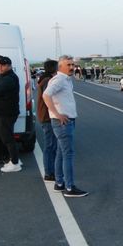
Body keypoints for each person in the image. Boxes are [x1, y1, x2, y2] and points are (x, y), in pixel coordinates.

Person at [43, 55, 88, 198]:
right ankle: (69, 187)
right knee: (68, 154)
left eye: (72, 64)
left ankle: (60, 183)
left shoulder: (67, 80)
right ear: (60, 66)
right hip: (62, 122)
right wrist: (57, 114)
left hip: (67, 120)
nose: (72, 67)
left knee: (61, 153)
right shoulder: (60, 79)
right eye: (68, 65)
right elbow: (46, 95)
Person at [0, 56, 22, 173]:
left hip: (5, 113)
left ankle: (15, 163)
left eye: (3, 65)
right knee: (8, 137)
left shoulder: (8, 79)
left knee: (7, 138)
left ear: (9, 66)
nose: (0, 67)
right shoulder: (6, 77)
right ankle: (14, 159)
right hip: (5, 112)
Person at [37, 59, 58, 181]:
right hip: (47, 117)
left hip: (45, 116)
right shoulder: (47, 81)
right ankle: (49, 173)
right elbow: (48, 98)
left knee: (51, 145)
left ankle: (51, 171)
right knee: (50, 145)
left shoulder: (44, 79)